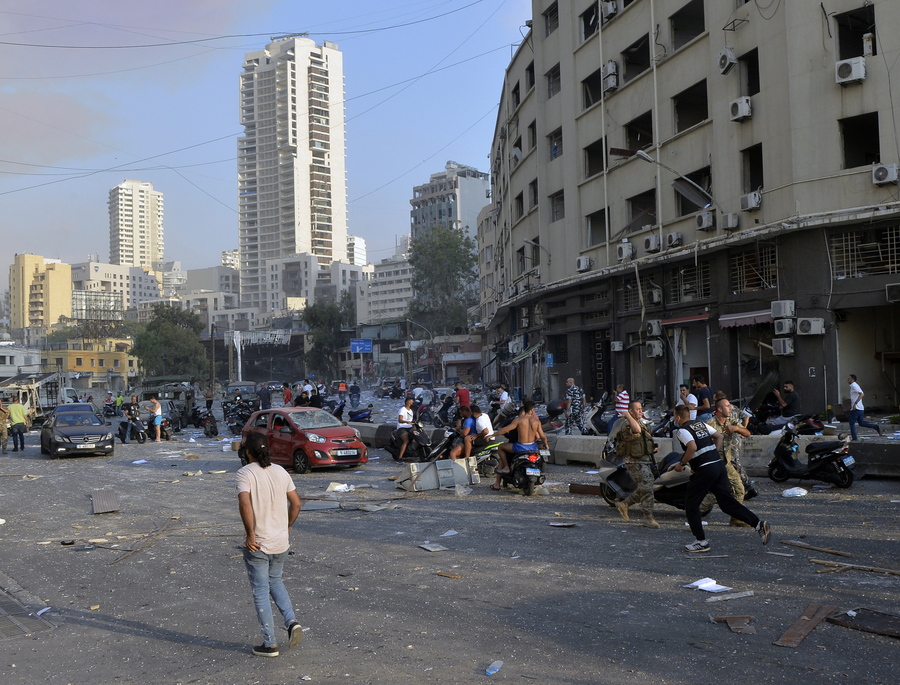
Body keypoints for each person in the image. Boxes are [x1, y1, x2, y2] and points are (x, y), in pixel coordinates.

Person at [236, 431, 303, 657]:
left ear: (248, 452)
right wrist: (287, 526)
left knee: (261, 590)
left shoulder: (245, 473)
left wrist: (249, 534)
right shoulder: (281, 471)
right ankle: (291, 621)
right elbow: (296, 504)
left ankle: (270, 643)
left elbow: (245, 505)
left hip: (259, 544)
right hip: (280, 543)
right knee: (276, 581)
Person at [672, 405, 771, 553]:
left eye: (674, 416)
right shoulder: (701, 424)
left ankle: (701, 541)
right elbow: (719, 436)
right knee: (726, 502)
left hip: (706, 469)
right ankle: (758, 524)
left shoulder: (682, 430)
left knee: (691, 504)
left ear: (678, 417)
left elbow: (691, 447)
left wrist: (682, 464)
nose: (674, 419)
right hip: (718, 466)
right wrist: (712, 455)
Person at [613, 400, 659, 528]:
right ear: (631, 411)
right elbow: (636, 430)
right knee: (647, 488)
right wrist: (627, 415)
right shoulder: (628, 424)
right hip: (634, 462)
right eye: (637, 409)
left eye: (641, 409)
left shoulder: (640, 422)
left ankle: (625, 504)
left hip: (644, 460)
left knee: (648, 487)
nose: (640, 411)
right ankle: (648, 518)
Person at [707, 398, 752, 524]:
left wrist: (736, 429)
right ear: (720, 409)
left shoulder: (732, 421)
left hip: (725, 464)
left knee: (739, 489)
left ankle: (735, 517)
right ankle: (692, 512)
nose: (730, 408)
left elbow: (747, 433)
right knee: (710, 494)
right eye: (727, 406)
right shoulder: (710, 424)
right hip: (713, 463)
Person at [488, 400, 548, 490]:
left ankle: (507, 467)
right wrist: (546, 445)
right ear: (532, 410)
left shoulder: (518, 420)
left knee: (501, 447)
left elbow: (505, 429)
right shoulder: (536, 421)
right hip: (532, 447)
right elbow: (542, 436)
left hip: (520, 447)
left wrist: (493, 434)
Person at [847, 374, 881, 440]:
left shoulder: (854, 385)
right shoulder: (854, 386)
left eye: (849, 378)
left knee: (852, 423)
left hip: (856, 408)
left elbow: (862, 394)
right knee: (861, 423)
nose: (848, 380)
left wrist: (855, 403)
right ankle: (875, 426)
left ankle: (854, 438)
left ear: (852, 379)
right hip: (860, 408)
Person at [396, 396, 416, 461]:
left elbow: (412, 421)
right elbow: (400, 420)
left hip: (410, 428)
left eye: (412, 400)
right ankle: (400, 457)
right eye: (409, 400)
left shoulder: (411, 411)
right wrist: (406, 422)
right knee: (406, 441)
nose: (410, 402)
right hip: (402, 428)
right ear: (406, 401)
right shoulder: (402, 410)